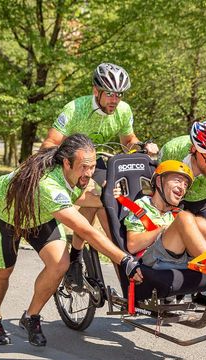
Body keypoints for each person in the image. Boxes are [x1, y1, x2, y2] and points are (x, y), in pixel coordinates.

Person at [0, 133, 143, 347]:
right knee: (3, 272)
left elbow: (78, 197)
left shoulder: (75, 175)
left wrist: (110, 198)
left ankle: (31, 317)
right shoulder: (49, 185)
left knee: (60, 264)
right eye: (84, 167)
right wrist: (125, 260)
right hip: (5, 215)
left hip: (42, 215)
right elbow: (86, 231)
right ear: (66, 163)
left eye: (93, 166)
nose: (89, 173)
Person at [39, 63, 160, 292]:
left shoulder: (123, 110)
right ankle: (114, 262)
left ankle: (79, 256)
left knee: (114, 204)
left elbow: (128, 141)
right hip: (73, 164)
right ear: (97, 91)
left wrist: (143, 146)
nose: (115, 100)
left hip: (101, 163)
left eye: (120, 94)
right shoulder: (75, 109)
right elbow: (49, 143)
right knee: (106, 204)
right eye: (110, 94)